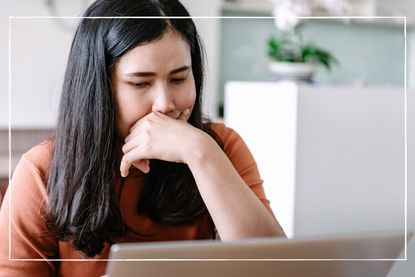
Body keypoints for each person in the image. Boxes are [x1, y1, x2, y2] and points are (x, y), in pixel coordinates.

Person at [0, 0, 286, 275]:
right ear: (100, 89)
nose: (164, 104)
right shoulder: (42, 171)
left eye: (178, 79)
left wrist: (200, 153)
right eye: (140, 83)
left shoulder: (218, 147)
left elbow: (277, 268)